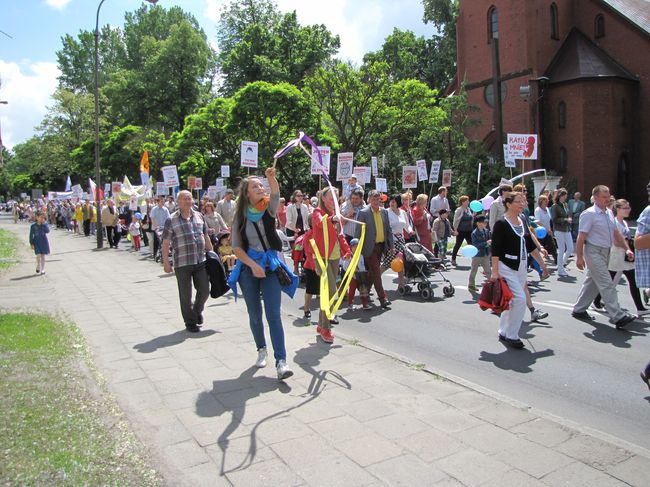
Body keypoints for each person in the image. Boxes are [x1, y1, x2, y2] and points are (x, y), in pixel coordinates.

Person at [228, 167, 295, 380]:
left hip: (271, 267)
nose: (259, 188)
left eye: (260, 185)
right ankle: (261, 349)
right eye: (254, 186)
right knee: (255, 315)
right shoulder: (239, 216)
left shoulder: (268, 208)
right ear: (247, 193)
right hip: (248, 269)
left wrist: (271, 178)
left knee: (274, 315)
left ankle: (281, 361)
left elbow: (275, 193)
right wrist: (252, 265)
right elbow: (236, 248)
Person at [572, 185, 637, 329]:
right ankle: (618, 316)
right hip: (593, 251)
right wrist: (579, 257)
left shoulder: (608, 212)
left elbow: (616, 233)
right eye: (604, 197)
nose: (607, 200)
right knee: (606, 283)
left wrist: (627, 249)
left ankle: (579, 309)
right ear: (595, 198)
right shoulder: (589, 214)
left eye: (608, 197)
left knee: (593, 282)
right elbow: (581, 236)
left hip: (606, 251)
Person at [161, 190, 213, 333]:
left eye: (189, 199)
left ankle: (196, 312)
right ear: (178, 202)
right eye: (185, 199)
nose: (188, 201)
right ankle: (190, 322)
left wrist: (212, 254)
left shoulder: (199, 216)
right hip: (182, 262)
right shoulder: (171, 220)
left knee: (204, 290)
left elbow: (206, 236)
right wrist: (166, 262)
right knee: (186, 294)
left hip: (200, 260)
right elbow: (165, 243)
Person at [593, 199, 649, 315]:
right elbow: (615, 241)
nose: (628, 210)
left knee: (633, 281)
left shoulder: (624, 222)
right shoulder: (615, 222)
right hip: (617, 256)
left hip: (626, 256)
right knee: (609, 281)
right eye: (625, 208)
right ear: (617, 209)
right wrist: (628, 245)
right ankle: (596, 301)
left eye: (628, 207)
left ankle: (640, 308)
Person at [490, 192, 530, 349]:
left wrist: (542, 261)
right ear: (508, 204)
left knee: (511, 300)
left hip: (521, 266)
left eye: (523, 201)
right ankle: (512, 335)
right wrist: (495, 270)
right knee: (520, 299)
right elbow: (496, 248)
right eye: (518, 201)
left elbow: (529, 242)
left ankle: (503, 330)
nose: (522, 204)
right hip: (506, 266)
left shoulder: (522, 220)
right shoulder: (502, 223)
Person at [312, 186, 351, 343]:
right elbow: (320, 223)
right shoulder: (318, 212)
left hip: (334, 257)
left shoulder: (335, 215)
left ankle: (322, 325)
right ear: (323, 198)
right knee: (331, 292)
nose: (334, 200)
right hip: (322, 257)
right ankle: (326, 328)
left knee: (327, 293)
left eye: (337, 196)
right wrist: (331, 219)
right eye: (331, 197)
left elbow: (339, 235)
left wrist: (347, 250)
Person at [358, 190, 394, 310]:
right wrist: (356, 249)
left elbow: (388, 230)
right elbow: (358, 232)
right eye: (373, 199)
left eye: (378, 199)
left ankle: (365, 292)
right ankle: (383, 298)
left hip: (380, 246)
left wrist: (391, 245)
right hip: (369, 247)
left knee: (372, 272)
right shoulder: (363, 213)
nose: (376, 201)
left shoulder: (384, 212)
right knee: (376, 271)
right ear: (369, 200)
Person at [383, 195, 411, 288]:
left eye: (394, 201)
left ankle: (401, 284)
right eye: (391, 201)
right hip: (391, 241)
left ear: (398, 202)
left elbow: (407, 226)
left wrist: (411, 231)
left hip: (401, 241)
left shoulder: (403, 212)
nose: (392, 203)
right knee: (387, 264)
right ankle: (371, 281)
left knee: (400, 262)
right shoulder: (386, 212)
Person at [551, 188, 574, 278]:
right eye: (563, 196)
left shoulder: (565, 205)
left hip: (567, 229)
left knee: (570, 248)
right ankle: (560, 269)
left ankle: (561, 265)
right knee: (561, 249)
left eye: (565, 196)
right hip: (559, 229)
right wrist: (565, 219)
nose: (565, 198)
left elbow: (568, 214)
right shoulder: (555, 206)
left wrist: (569, 218)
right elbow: (554, 219)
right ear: (559, 196)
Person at [343, 238, 370, 310]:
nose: (356, 248)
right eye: (354, 246)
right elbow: (345, 266)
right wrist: (351, 272)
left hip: (360, 276)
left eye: (358, 246)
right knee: (352, 290)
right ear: (351, 247)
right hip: (352, 276)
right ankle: (350, 304)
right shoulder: (349, 257)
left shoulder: (361, 256)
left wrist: (362, 271)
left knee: (363, 289)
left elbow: (362, 265)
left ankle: (365, 304)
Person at [468, 215, 491, 292]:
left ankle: (493, 285)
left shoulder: (486, 231)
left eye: (486, 222)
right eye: (483, 222)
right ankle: (471, 285)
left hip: (485, 254)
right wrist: (486, 243)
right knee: (474, 270)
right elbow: (475, 245)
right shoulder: (474, 233)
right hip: (477, 255)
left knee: (488, 271)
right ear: (478, 223)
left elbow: (489, 239)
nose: (485, 224)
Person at [534, 194, 557, 264]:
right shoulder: (538, 210)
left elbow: (549, 220)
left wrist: (549, 229)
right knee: (538, 247)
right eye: (545, 200)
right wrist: (545, 229)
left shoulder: (547, 209)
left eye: (547, 200)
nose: (547, 201)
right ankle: (533, 261)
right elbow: (537, 221)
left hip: (547, 231)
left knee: (552, 246)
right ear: (541, 201)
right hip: (540, 232)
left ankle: (557, 259)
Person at [451, 195, 473, 266]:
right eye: (466, 201)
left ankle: (475, 260)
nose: (468, 202)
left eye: (468, 201)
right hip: (461, 230)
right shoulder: (459, 210)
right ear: (462, 202)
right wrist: (455, 230)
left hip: (468, 230)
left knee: (471, 245)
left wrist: (473, 216)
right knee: (458, 244)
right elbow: (455, 221)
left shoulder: (468, 209)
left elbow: (470, 218)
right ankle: (453, 259)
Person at [29, 210, 50, 275]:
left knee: (43, 255)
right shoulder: (33, 226)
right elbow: (31, 235)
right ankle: (38, 265)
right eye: (41, 217)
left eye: (43, 217)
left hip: (44, 241)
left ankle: (43, 269)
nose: (42, 219)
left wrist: (44, 224)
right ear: (37, 217)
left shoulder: (45, 224)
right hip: (36, 242)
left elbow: (47, 231)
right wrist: (31, 243)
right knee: (38, 255)